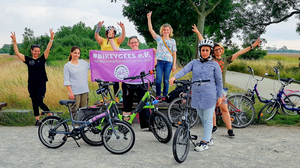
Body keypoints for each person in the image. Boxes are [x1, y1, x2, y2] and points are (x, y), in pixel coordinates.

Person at [192, 24, 261, 138]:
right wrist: (199, 33)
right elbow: (204, 43)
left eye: (220, 49)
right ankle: (213, 126)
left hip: (221, 88)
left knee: (224, 108)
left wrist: (252, 46)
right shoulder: (211, 60)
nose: (218, 50)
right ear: (213, 52)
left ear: (222, 50)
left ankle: (230, 129)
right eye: (216, 49)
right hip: (209, 88)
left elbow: (239, 52)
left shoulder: (226, 59)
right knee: (211, 108)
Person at [169, 39, 223, 152]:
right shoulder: (194, 62)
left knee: (208, 119)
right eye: (203, 50)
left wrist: (220, 96)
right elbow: (184, 70)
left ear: (210, 51)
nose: (204, 52)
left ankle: (205, 142)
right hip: (197, 95)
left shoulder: (215, 65)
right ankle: (209, 137)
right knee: (203, 118)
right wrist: (175, 77)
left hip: (210, 95)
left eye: (207, 50)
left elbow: (219, 81)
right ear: (200, 51)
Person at [108, 28, 152, 129]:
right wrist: (110, 38)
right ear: (129, 44)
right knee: (127, 104)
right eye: (132, 42)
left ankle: (146, 125)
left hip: (142, 82)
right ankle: (125, 125)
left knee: (144, 104)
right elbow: (115, 48)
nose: (134, 44)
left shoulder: (144, 53)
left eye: (135, 42)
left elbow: (152, 62)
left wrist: (154, 53)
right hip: (128, 82)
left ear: (138, 43)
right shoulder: (125, 52)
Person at [10, 29, 54, 126]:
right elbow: (17, 53)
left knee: (39, 101)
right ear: (32, 51)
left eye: (38, 51)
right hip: (31, 84)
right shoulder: (28, 60)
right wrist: (14, 41)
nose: (36, 52)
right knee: (34, 102)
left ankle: (50, 114)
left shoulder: (42, 59)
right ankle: (37, 120)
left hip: (41, 83)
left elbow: (47, 49)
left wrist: (51, 39)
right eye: (35, 51)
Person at [147, 11, 177, 101]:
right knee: (158, 80)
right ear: (162, 31)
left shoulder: (172, 41)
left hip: (168, 62)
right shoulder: (159, 39)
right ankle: (158, 95)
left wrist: (174, 64)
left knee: (166, 80)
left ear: (170, 31)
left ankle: (165, 95)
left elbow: (174, 52)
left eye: (167, 30)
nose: (166, 31)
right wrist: (149, 18)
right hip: (160, 61)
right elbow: (151, 30)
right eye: (164, 30)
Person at [95, 21, 126, 102]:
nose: (111, 34)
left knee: (115, 80)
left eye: (113, 32)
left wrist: (123, 28)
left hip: (115, 64)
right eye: (109, 32)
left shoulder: (116, 40)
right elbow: (96, 36)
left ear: (114, 34)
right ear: (106, 33)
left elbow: (123, 36)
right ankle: (104, 97)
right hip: (104, 64)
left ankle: (116, 96)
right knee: (105, 80)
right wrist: (98, 27)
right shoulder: (103, 41)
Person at [63, 46, 90, 118]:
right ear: (71, 53)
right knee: (75, 111)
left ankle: (82, 127)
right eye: (75, 53)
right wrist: (70, 92)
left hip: (84, 90)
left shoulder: (83, 63)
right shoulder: (67, 66)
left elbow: (94, 66)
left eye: (78, 53)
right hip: (75, 92)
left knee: (84, 111)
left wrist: (92, 55)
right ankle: (75, 126)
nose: (77, 55)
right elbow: (67, 81)